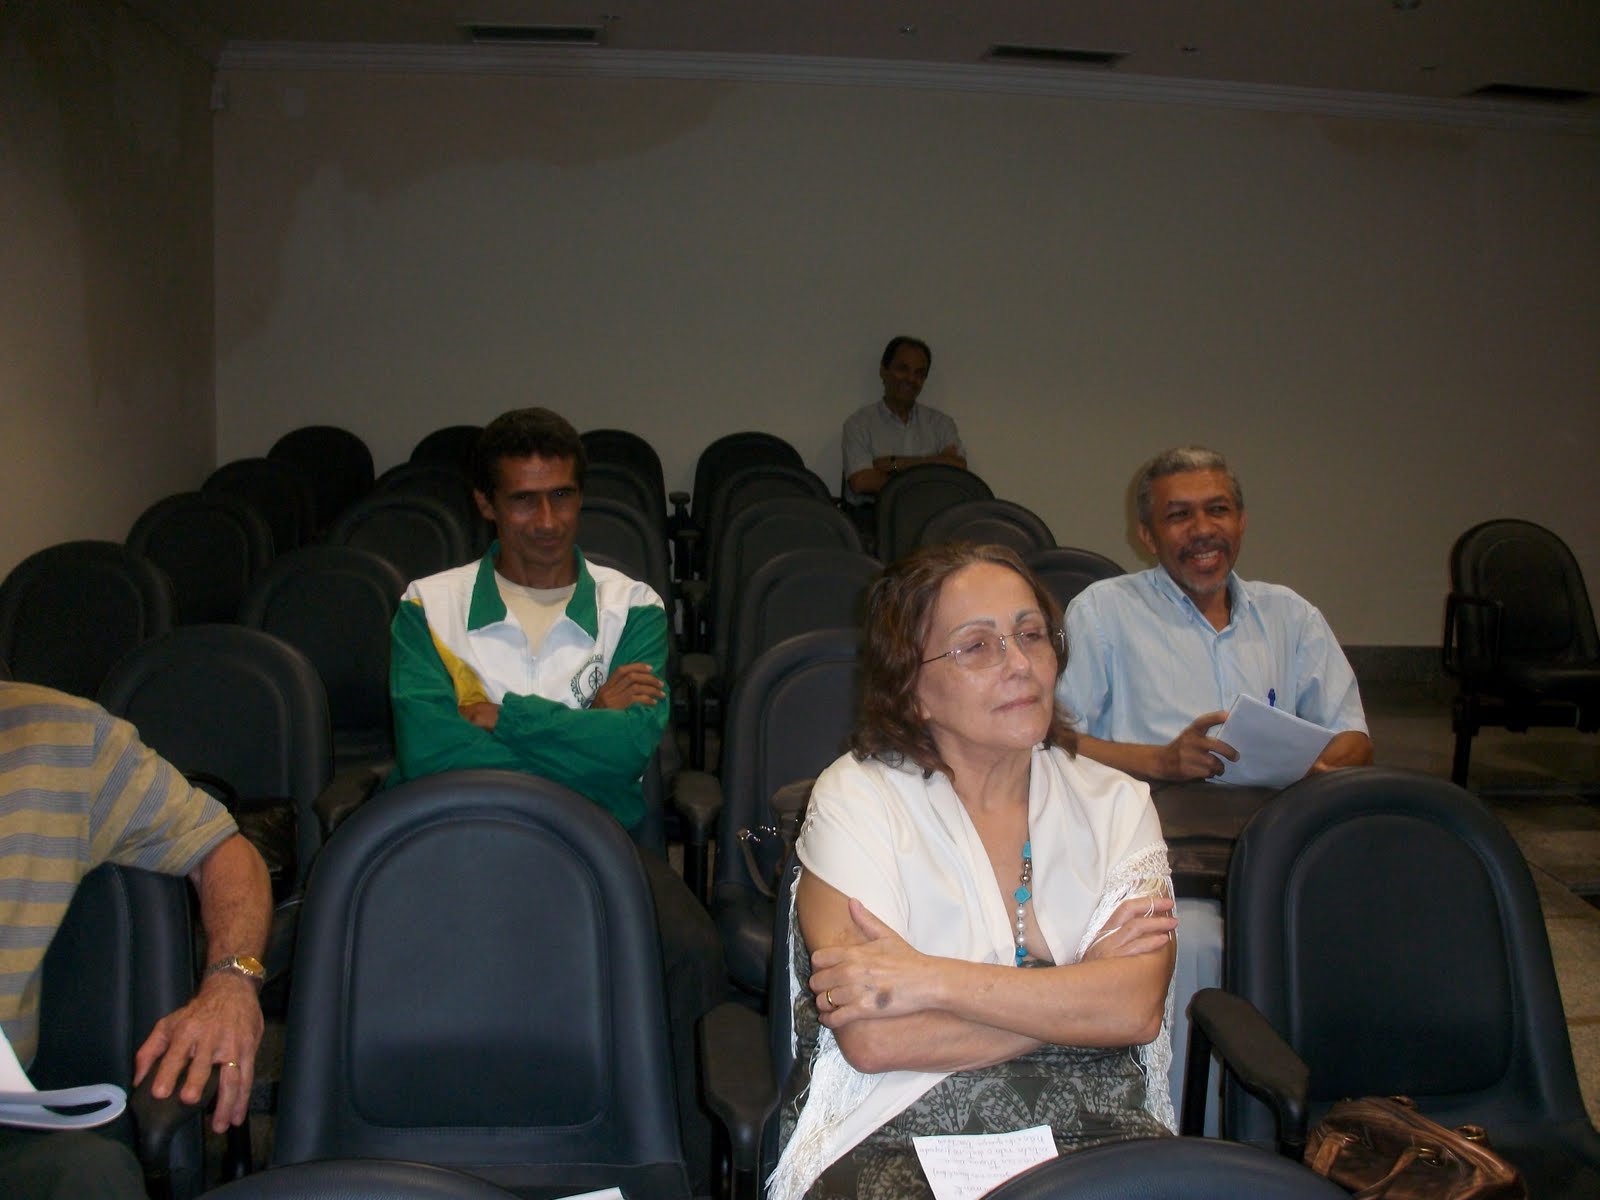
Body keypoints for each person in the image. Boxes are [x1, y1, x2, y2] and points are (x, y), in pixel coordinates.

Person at [769, 543, 1177, 1200]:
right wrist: (1077, 994)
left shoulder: (1117, 804)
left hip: (1101, 1122)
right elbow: (874, 1039)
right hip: (898, 1124)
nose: (1019, 664)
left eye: (1031, 635)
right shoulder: (857, 797)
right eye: (977, 647)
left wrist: (926, 979)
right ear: (913, 689)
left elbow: (1134, 1010)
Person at [386, 406, 726, 1186]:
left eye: (563, 496)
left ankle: (674, 1173)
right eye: (523, 501)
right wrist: (584, 719)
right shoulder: (429, 606)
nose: (547, 521)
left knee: (692, 953)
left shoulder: (632, 606)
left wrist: (502, 716)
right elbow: (431, 751)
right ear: (485, 503)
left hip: (597, 839)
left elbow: (627, 750)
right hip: (458, 836)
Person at [0, 681, 271, 1200]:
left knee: (91, 1175)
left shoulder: (62, 738)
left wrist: (231, 984)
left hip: (12, 1131)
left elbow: (225, 853)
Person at [1057, 446, 1373, 783]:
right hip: (1155, 805)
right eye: (1179, 515)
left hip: (1277, 807)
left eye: (1218, 510)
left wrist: (1307, 770)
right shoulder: (1101, 612)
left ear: (1241, 522)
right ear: (1148, 537)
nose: (1203, 529)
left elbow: (1353, 736)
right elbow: (1055, 739)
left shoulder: (1292, 616)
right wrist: (1159, 761)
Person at [841, 336, 967, 509]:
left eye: (919, 373)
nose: (911, 379)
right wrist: (934, 465)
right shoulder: (858, 424)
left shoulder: (941, 424)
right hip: (874, 516)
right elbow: (861, 481)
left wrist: (894, 464)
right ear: (883, 371)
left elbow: (958, 468)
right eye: (903, 369)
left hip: (931, 516)